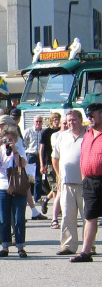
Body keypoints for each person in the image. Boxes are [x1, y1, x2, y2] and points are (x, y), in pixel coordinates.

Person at [0, 122, 28, 258]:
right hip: (1, 186)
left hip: (17, 186)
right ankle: (5, 246)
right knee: (3, 218)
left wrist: (14, 150)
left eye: (11, 139)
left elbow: (21, 165)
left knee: (18, 218)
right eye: (6, 139)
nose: (8, 142)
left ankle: (20, 246)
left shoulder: (19, 148)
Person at [71, 102, 102, 262]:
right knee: (90, 216)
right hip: (89, 181)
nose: (89, 118)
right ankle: (86, 252)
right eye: (88, 115)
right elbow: (84, 157)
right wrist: (84, 179)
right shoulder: (88, 133)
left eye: (92, 114)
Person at [52, 109, 85, 255]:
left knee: (87, 217)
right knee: (67, 215)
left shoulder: (89, 135)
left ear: (81, 120)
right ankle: (68, 245)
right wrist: (59, 176)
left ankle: (88, 246)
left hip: (86, 182)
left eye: (74, 120)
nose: (71, 123)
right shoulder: (62, 136)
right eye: (69, 120)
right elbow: (55, 158)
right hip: (66, 182)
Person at [40, 112, 62, 221]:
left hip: (60, 161)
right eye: (55, 119)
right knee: (55, 187)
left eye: (58, 119)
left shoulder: (61, 132)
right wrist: (42, 164)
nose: (57, 121)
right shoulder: (46, 132)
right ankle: (57, 210)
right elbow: (41, 149)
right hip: (49, 161)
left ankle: (46, 200)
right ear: (51, 121)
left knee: (59, 186)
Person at [23, 115, 44, 200]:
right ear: (33, 122)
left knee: (38, 179)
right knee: (29, 178)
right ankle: (26, 197)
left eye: (40, 121)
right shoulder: (28, 131)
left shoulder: (43, 132)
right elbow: (23, 143)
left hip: (40, 156)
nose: (38, 123)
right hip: (31, 155)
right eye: (36, 121)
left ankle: (37, 198)